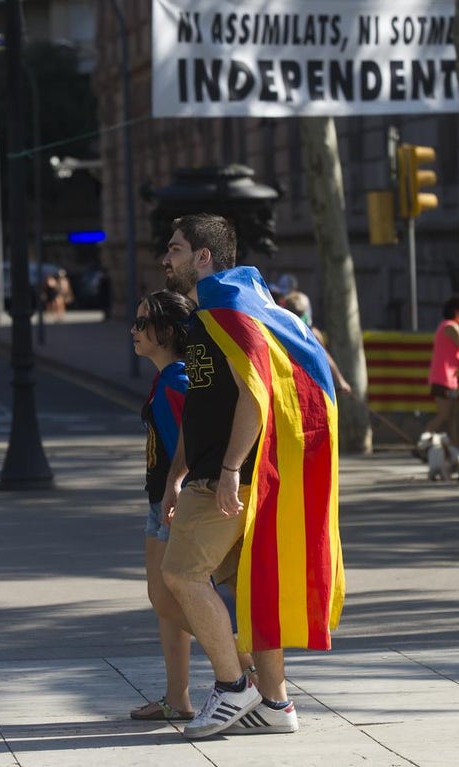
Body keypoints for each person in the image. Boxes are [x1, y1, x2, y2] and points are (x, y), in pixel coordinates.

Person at [160, 213, 344, 739]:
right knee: (247, 590)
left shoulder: (227, 308)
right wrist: (179, 473)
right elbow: (203, 402)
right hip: (234, 475)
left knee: (181, 577)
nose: (165, 259)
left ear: (203, 257)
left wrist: (228, 470)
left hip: (231, 475)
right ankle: (276, 704)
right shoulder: (233, 306)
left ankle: (232, 687)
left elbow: (256, 394)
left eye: (174, 249)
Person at [128, 289, 199, 722]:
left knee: (174, 599)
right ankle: (178, 698)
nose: (133, 332)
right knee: (162, 599)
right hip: (160, 501)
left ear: (168, 331)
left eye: (141, 324)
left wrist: (178, 485)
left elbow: (194, 439)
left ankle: (244, 671)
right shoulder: (167, 376)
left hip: (176, 502)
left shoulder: (178, 378)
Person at [283, 290, 353, 397]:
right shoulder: (312, 333)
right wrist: (340, 381)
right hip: (303, 386)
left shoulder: (280, 329)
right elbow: (326, 358)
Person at [426, 295, 459, 445]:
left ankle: (456, 446)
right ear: (456, 311)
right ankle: (423, 443)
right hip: (443, 378)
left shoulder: (446, 326)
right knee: (444, 415)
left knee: (452, 417)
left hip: (450, 379)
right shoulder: (450, 327)